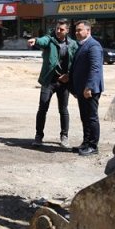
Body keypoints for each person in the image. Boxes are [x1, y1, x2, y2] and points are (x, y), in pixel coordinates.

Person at [28, 19, 78, 148]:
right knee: (42, 108)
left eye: (61, 29)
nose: (58, 31)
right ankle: (39, 136)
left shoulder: (72, 44)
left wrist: (69, 76)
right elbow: (42, 41)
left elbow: (75, 63)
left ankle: (64, 136)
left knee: (63, 110)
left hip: (64, 82)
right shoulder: (49, 39)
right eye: (57, 28)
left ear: (67, 30)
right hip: (49, 80)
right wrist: (35, 40)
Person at [69, 20, 104, 156]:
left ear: (88, 31)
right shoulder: (82, 45)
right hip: (82, 89)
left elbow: (95, 69)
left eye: (80, 30)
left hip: (90, 90)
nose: (77, 33)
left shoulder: (93, 46)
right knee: (85, 117)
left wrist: (89, 87)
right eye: (76, 30)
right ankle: (86, 142)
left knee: (91, 117)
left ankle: (93, 146)